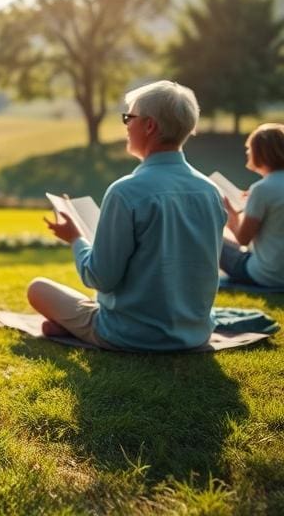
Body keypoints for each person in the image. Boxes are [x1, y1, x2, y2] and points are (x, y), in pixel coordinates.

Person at [29, 80, 225, 351]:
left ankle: (74, 329)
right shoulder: (210, 191)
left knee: (37, 289)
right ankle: (69, 328)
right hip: (194, 334)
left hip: (131, 335)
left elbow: (100, 278)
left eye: (128, 118)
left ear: (149, 126)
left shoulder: (125, 192)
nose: (125, 126)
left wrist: (75, 238)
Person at [220, 123, 284, 287]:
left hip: (267, 275)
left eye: (250, 148)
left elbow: (242, 239)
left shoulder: (262, 189)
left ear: (261, 153)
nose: (248, 152)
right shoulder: (264, 190)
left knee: (208, 236)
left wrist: (232, 217)